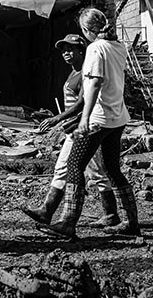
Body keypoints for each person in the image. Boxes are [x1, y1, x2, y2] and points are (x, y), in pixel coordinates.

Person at [40, 7, 140, 238]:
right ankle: (131, 222)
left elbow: (94, 84)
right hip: (118, 117)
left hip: (99, 118)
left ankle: (68, 222)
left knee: (75, 166)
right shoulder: (118, 47)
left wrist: (84, 118)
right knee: (113, 169)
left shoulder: (96, 48)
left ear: (86, 30)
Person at [22, 34, 118, 228]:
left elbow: (83, 102)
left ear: (81, 51)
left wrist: (58, 118)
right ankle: (47, 211)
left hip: (83, 128)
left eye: (71, 49)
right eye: (64, 50)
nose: (66, 53)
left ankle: (106, 214)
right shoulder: (73, 73)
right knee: (77, 169)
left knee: (90, 170)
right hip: (74, 128)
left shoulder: (85, 72)